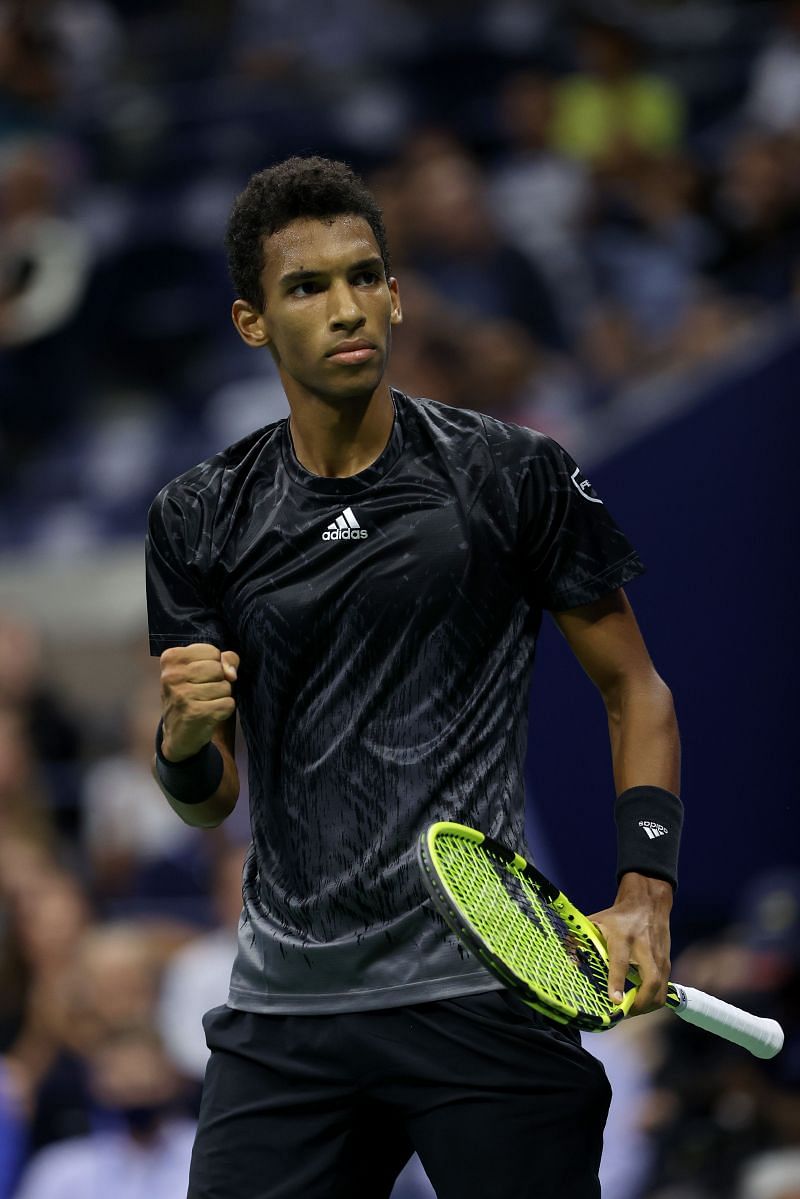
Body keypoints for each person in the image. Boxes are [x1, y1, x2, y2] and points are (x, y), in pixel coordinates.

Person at [145, 154, 682, 1199]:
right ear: (253, 321)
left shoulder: (511, 472)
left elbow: (636, 690)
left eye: (363, 277)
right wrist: (176, 744)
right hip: (286, 1012)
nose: (344, 308)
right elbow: (208, 800)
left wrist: (642, 891)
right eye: (306, 287)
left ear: (395, 293)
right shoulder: (197, 514)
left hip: (481, 988)